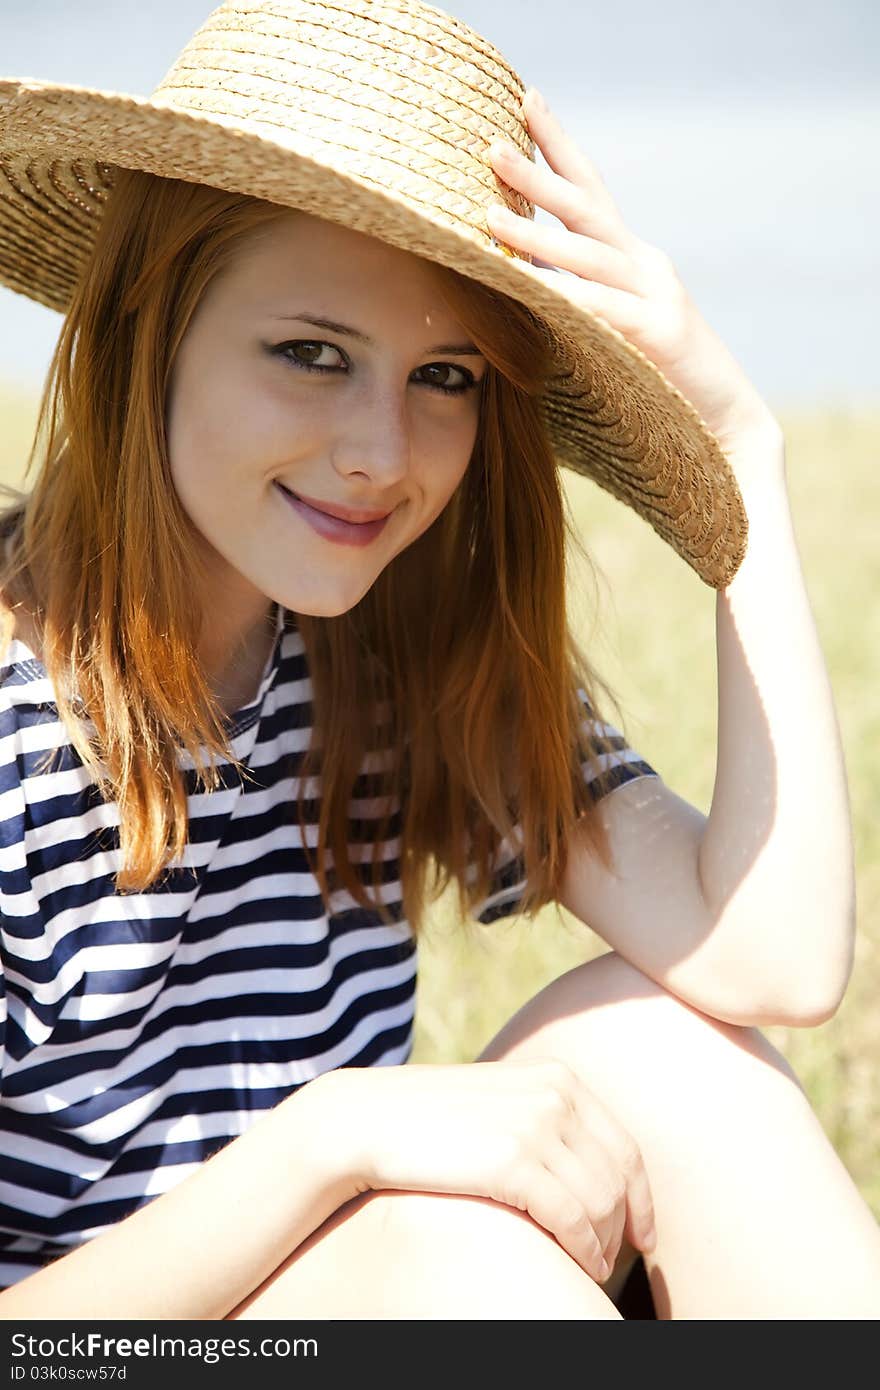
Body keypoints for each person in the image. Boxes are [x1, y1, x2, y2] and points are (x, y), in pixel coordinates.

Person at [0, 0, 877, 1322]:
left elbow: (776, 960)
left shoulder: (400, 650)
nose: (383, 451)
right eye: (311, 354)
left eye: (447, 376)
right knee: (446, 1258)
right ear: (146, 324)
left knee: (681, 1057)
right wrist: (338, 1133)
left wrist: (740, 448)